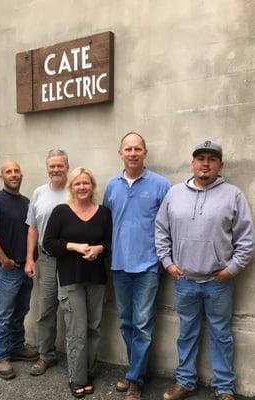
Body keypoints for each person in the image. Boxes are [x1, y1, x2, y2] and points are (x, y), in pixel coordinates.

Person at [155, 140, 255, 400]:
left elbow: (246, 239)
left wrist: (231, 269)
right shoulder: (174, 193)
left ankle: (224, 387)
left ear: (220, 165)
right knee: (186, 332)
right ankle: (185, 382)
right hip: (185, 280)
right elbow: (161, 231)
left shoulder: (233, 195)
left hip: (217, 282)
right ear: (193, 163)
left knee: (221, 334)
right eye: (201, 158)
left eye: (212, 159)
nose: (205, 163)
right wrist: (168, 263)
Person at [103, 132, 171, 400]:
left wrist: (165, 260)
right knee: (126, 322)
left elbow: (169, 225)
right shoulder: (112, 186)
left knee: (142, 325)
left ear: (145, 152)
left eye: (137, 149)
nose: (132, 153)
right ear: (120, 153)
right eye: (128, 149)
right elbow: (107, 222)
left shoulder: (161, 185)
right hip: (119, 265)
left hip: (148, 266)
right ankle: (137, 371)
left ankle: (135, 380)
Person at [42, 167, 112, 398]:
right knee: (77, 330)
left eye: (86, 183)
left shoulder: (103, 212)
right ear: (72, 187)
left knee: (94, 328)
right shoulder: (61, 211)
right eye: (77, 184)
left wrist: (99, 249)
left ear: (92, 186)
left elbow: (110, 243)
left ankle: (88, 372)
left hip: (96, 279)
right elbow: (48, 244)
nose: (82, 187)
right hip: (71, 279)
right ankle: (77, 377)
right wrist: (72, 246)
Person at [0, 161, 39, 380]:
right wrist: (3, 260)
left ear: (22, 174)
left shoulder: (26, 202)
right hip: (7, 269)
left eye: (17, 171)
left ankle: (17, 347)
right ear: (2, 177)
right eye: (9, 171)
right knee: (3, 315)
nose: (13, 174)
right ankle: (1, 356)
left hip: (25, 267)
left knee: (21, 311)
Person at [24, 149, 69, 376]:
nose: (56, 169)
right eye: (52, 166)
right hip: (47, 259)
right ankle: (46, 356)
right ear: (47, 168)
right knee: (46, 309)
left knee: (73, 310)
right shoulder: (39, 193)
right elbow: (32, 228)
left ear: (67, 167)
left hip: (72, 261)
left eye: (60, 165)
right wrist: (30, 258)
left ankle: (76, 357)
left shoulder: (76, 191)